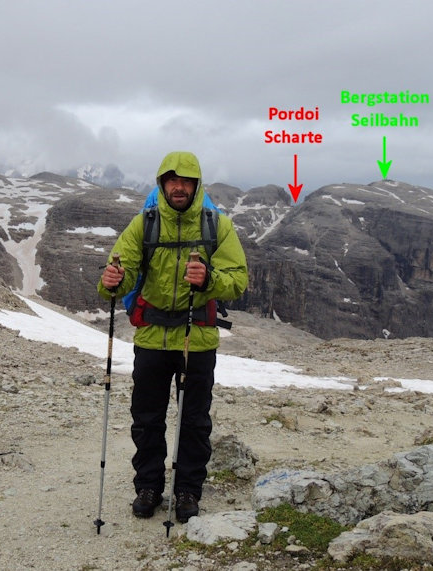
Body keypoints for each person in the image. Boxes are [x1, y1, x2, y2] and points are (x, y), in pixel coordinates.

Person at [98, 151, 248, 523]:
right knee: (147, 418)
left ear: (197, 186)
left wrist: (209, 280)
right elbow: (123, 271)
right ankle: (148, 486)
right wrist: (110, 282)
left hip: (196, 339)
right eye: (171, 180)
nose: (178, 187)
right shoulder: (143, 225)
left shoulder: (218, 227)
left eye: (185, 181)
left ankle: (187, 492)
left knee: (194, 421)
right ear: (162, 183)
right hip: (151, 338)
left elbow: (238, 282)